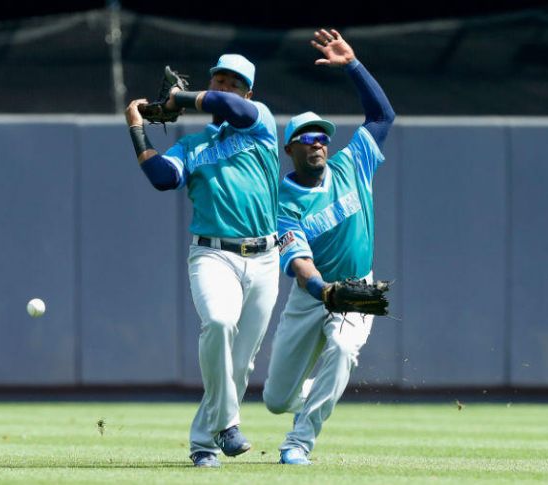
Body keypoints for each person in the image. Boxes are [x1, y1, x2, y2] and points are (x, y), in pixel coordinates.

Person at [125, 54, 280, 468]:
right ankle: (227, 426)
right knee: (217, 322)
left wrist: (179, 97)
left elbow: (231, 108)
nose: (225, 87)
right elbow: (162, 178)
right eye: (220, 79)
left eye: (234, 83)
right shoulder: (192, 145)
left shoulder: (259, 120)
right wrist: (136, 128)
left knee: (240, 363)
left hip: (265, 258)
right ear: (210, 81)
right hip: (213, 254)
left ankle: (202, 443)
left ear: (248, 92)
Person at [262, 29, 395, 465]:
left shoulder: (352, 162)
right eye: (307, 138)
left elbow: (382, 117)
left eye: (322, 137)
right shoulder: (282, 200)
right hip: (310, 298)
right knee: (276, 399)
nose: (318, 143)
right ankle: (313, 397)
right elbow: (298, 261)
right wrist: (324, 293)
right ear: (290, 149)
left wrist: (354, 66)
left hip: (357, 287)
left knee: (342, 348)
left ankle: (299, 442)